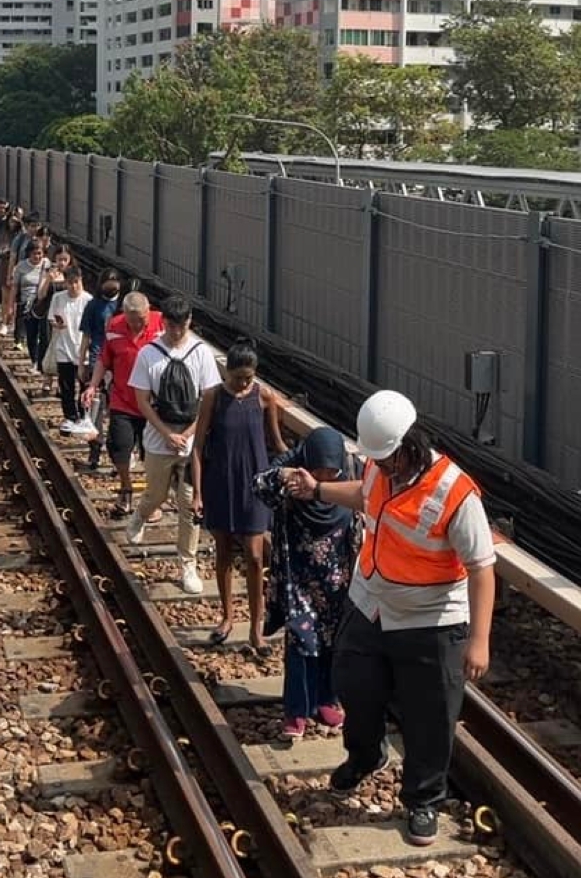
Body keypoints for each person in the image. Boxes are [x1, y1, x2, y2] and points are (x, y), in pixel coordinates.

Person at [282, 389, 496, 847]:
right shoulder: (380, 468)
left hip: (431, 617)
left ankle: (423, 798)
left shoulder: (455, 494)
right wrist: (317, 489)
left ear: (409, 444)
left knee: (430, 714)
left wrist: (479, 640)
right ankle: (365, 755)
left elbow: (482, 568)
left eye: (387, 457)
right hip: (373, 600)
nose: (380, 466)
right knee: (352, 680)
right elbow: (364, 496)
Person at [253, 426, 357, 737]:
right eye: (319, 470)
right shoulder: (294, 477)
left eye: (331, 471)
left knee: (333, 643)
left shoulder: (352, 471)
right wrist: (285, 473)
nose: (324, 477)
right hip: (297, 578)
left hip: (337, 578)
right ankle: (296, 711)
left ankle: (326, 700)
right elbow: (259, 485)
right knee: (302, 642)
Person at [191, 341, 286, 650]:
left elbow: (276, 444)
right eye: (238, 378)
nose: (244, 383)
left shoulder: (264, 397)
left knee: (256, 556)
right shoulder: (213, 398)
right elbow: (198, 448)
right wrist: (197, 493)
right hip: (221, 482)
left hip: (255, 485)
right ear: (227, 373)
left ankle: (256, 628)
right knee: (223, 552)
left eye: (249, 377)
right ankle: (228, 615)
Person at [126, 296, 221, 595]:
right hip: (159, 437)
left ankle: (187, 563)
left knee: (189, 503)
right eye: (171, 326)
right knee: (155, 493)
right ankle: (141, 514)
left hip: (191, 441)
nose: (177, 332)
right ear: (163, 322)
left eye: (181, 326)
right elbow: (142, 399)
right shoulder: (149, 354)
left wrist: (191, 433)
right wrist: (166, 432)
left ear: (188, 322)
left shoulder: (201, 353)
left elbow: (209, 399)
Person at [82, 291, 164, 515]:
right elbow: (104, 360)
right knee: (119, 445)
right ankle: (126, 487)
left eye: (142, 319)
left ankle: (151, 498)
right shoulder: (114, 327)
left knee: (152, 453)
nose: (138, 324)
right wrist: (92, 385)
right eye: (133, 319)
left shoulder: (160, 324)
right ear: (125, 315)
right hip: (123, 399)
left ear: (148, 312)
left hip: (153, 403)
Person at [68, 269, 122, 448]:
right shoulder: (93, 305)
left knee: (115, 407)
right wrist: (81, 363)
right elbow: (86, 337)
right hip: (97, 357)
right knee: (96, 405)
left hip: (118, 361)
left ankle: (117, 445)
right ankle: (95, 448)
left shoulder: (123, 305)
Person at [47, 266, 92, 430]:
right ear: (65, 283)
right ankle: (70, 416)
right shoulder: (58, 298)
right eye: (70, 283)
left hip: (82, 349)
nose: (73, 286)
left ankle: (84, 415)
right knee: (66, 385)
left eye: (76, 282)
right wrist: (57, 324)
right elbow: (51, 318)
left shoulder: (88, 300)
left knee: (84, 385)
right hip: (63, 347)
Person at [12, 240, 51, 368]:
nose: (37, 256)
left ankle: (39, 362)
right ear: (29, 253)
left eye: (40, 253)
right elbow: (15, 287)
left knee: (44, 334)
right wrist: (11, 306)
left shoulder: (47, 265)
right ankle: (34, 358)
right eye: (34, 253)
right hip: (26, 304)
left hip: (42, 305)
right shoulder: (21, 266)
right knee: (31, 335)